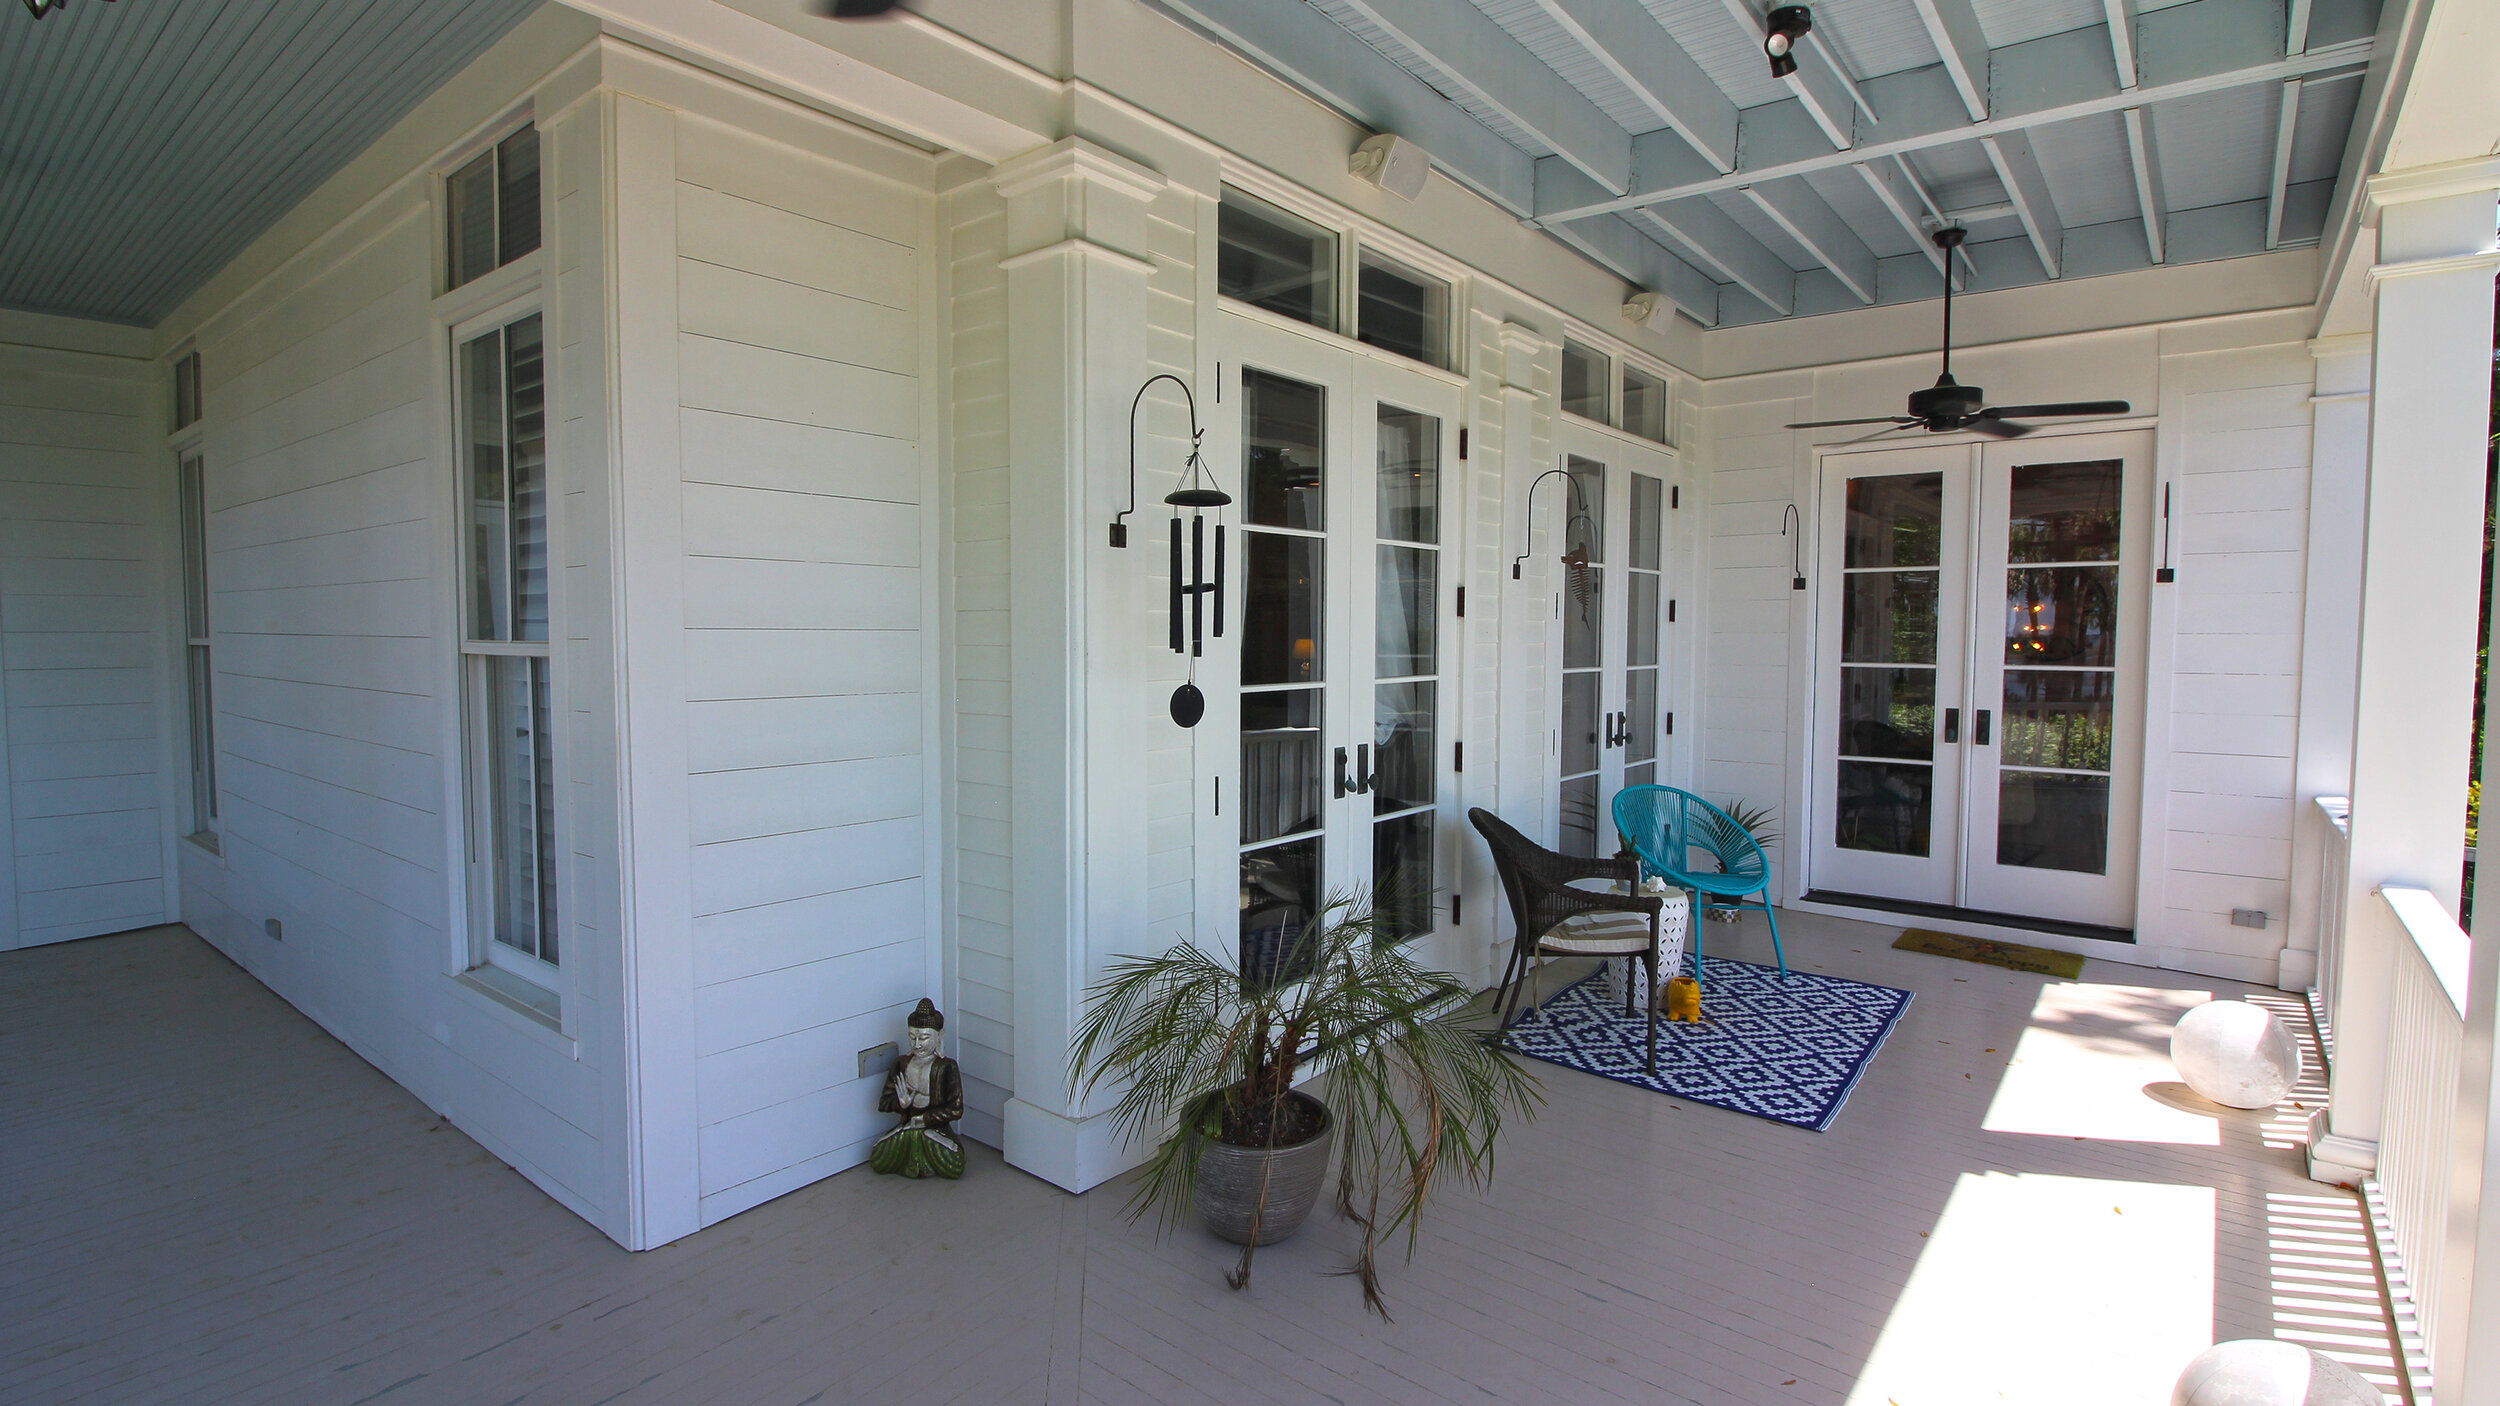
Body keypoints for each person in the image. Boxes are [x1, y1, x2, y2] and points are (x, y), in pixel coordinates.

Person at [871, 998, 965, 1179]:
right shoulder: (901, 1064)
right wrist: (900, 1104)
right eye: (912, 1037)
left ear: (940, 1036)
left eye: (924, 1038)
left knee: (955, 1165)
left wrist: (925, 1119)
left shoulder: (947, 1067)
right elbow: (884, 1103)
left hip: (934, 1132)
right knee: (878, 1159)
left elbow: (956, 1109)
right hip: (906, 1127)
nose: (917, 1044)